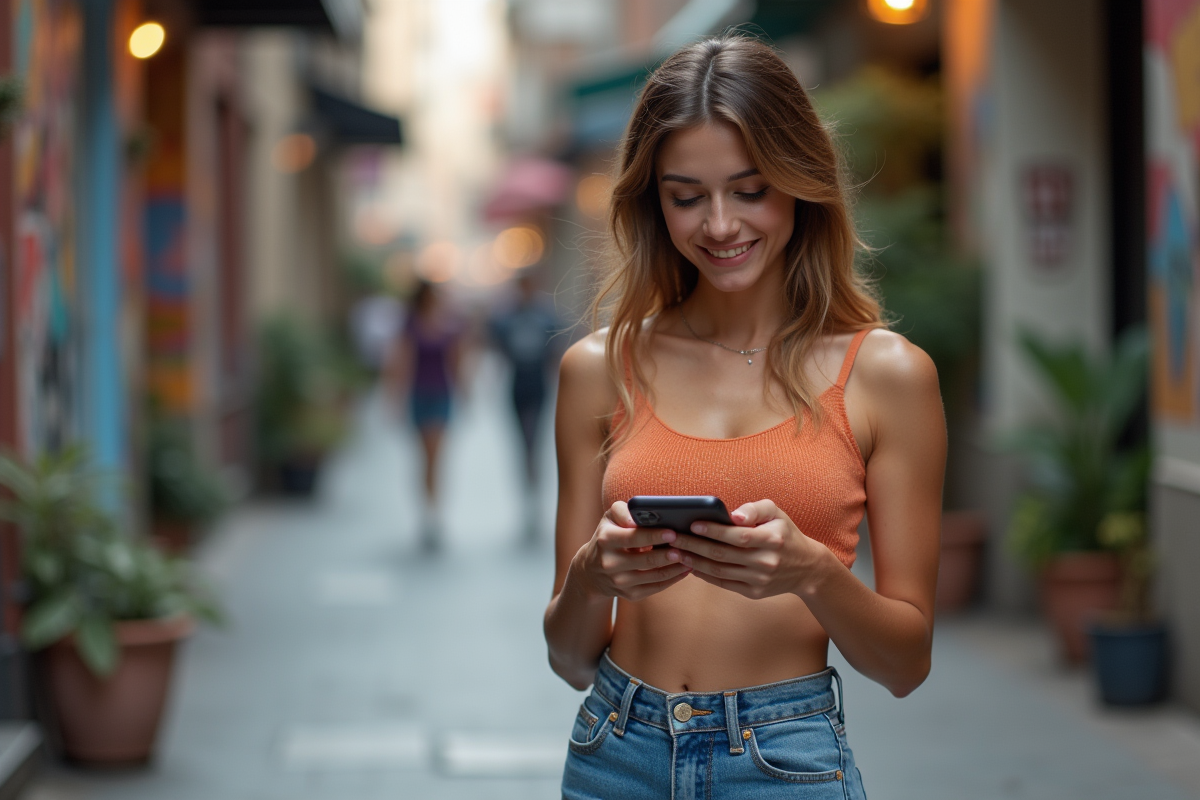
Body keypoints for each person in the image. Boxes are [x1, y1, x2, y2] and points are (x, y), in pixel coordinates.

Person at [544, 35, 945, 799]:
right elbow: (568, 659)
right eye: (686, 195)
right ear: (653, 202)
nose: (720, 225)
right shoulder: (597, 369)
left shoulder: (888, 375)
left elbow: (906, 665)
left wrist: (812, 574)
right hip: (613, 751)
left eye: (751, 189)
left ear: (801, 183)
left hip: (784, 760)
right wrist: (593, 577)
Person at [386, 279, 466, 552]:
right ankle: (427, 511)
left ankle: (433, 513)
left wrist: (464, 390)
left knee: (436, 456)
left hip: (441, 396)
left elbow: (456, 360)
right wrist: (395, 398)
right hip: (419, 396)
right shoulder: (411, 325)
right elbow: (401, 363)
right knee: (424, 457)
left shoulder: (448, 324)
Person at [489, 270, 563, 543]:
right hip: (517, 387)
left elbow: (556, 351)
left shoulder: (546, 316)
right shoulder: (506, 318)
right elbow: (497, 349)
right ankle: (527, 499)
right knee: (522, 445)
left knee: (535, 443)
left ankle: (534, 501)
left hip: (538, 387)